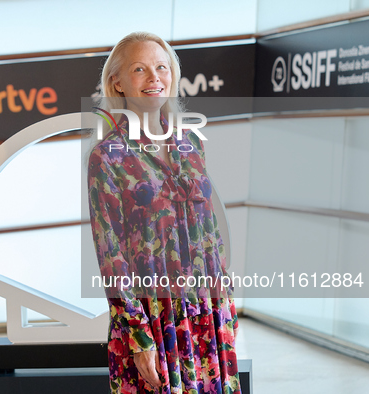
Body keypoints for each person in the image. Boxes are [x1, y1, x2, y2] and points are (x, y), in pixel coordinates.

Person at [87, 31, 241, 394]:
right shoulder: (107, 157)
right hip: (154, 319)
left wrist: (227, 301)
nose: (154, 77)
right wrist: (138, 336)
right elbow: (111, 255)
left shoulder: (192, 144)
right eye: (140, 69)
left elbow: (209, 231)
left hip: (207, 310)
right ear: (118, 82)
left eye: (161, 67)